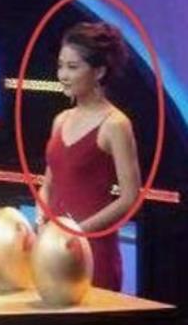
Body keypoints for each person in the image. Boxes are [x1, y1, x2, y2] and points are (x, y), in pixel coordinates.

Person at [38, 22, 140, 291]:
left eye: (73, 67)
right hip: (54, 250)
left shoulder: (115, 124)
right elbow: (49, 184)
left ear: (99, 72)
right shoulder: (60, 120)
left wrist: (78, 232)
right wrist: (42, 215)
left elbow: (130, 198)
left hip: (93, 252)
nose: (63, 75)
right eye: (61, 66)